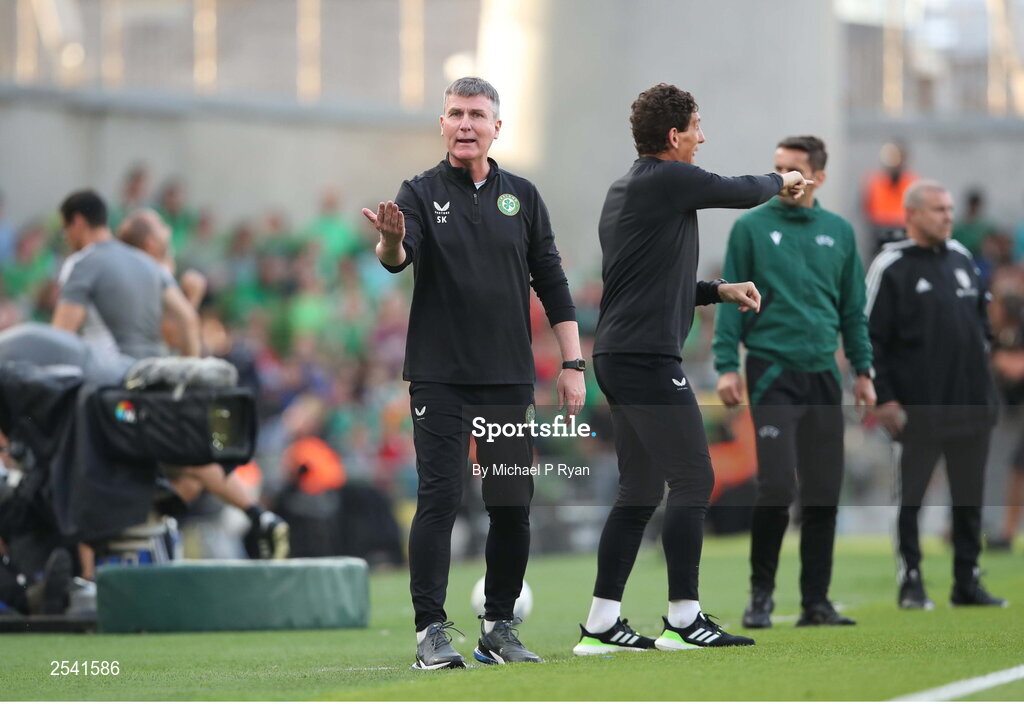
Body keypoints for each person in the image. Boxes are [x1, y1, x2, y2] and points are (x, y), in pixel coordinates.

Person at [572, 83, 810, 656]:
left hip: (624, 354)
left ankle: (602, 623)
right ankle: (684, 616)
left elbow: (649, 280)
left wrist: (717, 290)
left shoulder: (631, 187)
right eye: (698, 128)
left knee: (640, 490)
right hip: (646, 359)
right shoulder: (669, 179)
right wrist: (784, 180)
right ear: (674, 136)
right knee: (694, 479)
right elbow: (738, 190)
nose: (703, 138)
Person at [362, 77, 585, 669]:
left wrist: (573, 362)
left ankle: (499, 627)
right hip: (439, 377)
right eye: (456, 114)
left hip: (508, 378)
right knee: (440, 497)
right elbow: (397, 258)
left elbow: (553, 281)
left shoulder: (524, 196)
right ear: (442, 125)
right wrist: (389, 240)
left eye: (477, 115)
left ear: (496, 127)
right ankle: (430, 633)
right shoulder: (418, 192)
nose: (466, 124)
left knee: (511, 503)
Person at [712, 135, 876, 630]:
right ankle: (760, 596)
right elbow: (730, 299)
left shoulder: (840, 232)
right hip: (771, 371)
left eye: (794, 169)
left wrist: (864, 372)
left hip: (825, 374)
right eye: (778, 167)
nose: (784, 176)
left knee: (824, 490)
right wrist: (725, 365)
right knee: (778, 484)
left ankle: (816, 602)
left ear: (819, 178)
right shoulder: (750, 227)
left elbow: (852, 312)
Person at [865, 180, 1007, 609]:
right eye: (938, 210)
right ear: (912, 216)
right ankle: (911, 580)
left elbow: (981, 329)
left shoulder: (964, 259)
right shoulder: (891, 265)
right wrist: (885, 398)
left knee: (969, 498)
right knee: (910, 499)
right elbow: (869, 339)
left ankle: (968, 581)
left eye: (949, 208)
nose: (948, 216)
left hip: (970, 404)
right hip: (917, 408)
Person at [115, 207, 287, 559]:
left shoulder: (144, 275)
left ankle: (252, 516)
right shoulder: (148, 278)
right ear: (150, 241)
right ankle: (256, 516)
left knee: (194, 463)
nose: (168, 228)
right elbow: (179, 342)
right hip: (135, 398)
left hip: (141, 394)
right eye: (161, 226)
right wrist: (190, 301)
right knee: (193, 451)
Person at [862, 141, 917, 254]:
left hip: (905, 234)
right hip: (879, 234)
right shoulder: (874, 181)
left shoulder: (913, 181)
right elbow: (866, 208)